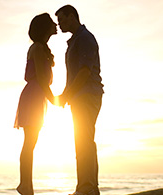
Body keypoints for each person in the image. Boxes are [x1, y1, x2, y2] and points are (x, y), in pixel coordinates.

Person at [55, 5, 104, 195]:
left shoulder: (84, 38)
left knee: (84, 142)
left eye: (62, 20)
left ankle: (85, 189)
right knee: (85, 142)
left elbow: (84, 72)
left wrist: (67, 94)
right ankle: (90, 188)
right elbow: (74, 75)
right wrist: (66, 94)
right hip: (81, 95)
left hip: (87, 95)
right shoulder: (76, 40)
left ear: (72, 16)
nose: (59, 25)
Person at [13, 13, 58, 195]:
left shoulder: (41, 47)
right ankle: (25, 185)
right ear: (45, 27)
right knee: (29, 142)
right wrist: (54, 99)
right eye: (52, 23)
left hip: (37, 96)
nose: (56, 25)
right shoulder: (38, 48)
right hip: (34, 96)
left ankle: (26, 185)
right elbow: (40, 77)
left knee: (31, 142)